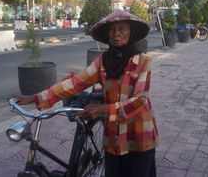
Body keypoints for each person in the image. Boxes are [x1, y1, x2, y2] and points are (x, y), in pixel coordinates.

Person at [13, 10, 159, 177]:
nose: (116, 33)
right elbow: (74, 83)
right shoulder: (102, 62)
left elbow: (140, 100)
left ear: (131, 32)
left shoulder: (143, 62)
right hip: (114, 137)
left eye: (122, 28)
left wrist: (104, 109)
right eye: (112, 29)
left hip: (139, 133)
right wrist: (36, 97)